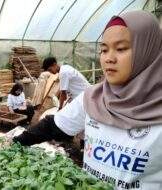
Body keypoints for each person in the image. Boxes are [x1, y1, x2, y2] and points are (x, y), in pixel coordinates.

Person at [13, 11, 162, 189]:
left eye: (121, 48)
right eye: (104, 50)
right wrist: (15, 142)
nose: (109, 58)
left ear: (148, 50)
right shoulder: (94, 97)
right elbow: (52, 126)